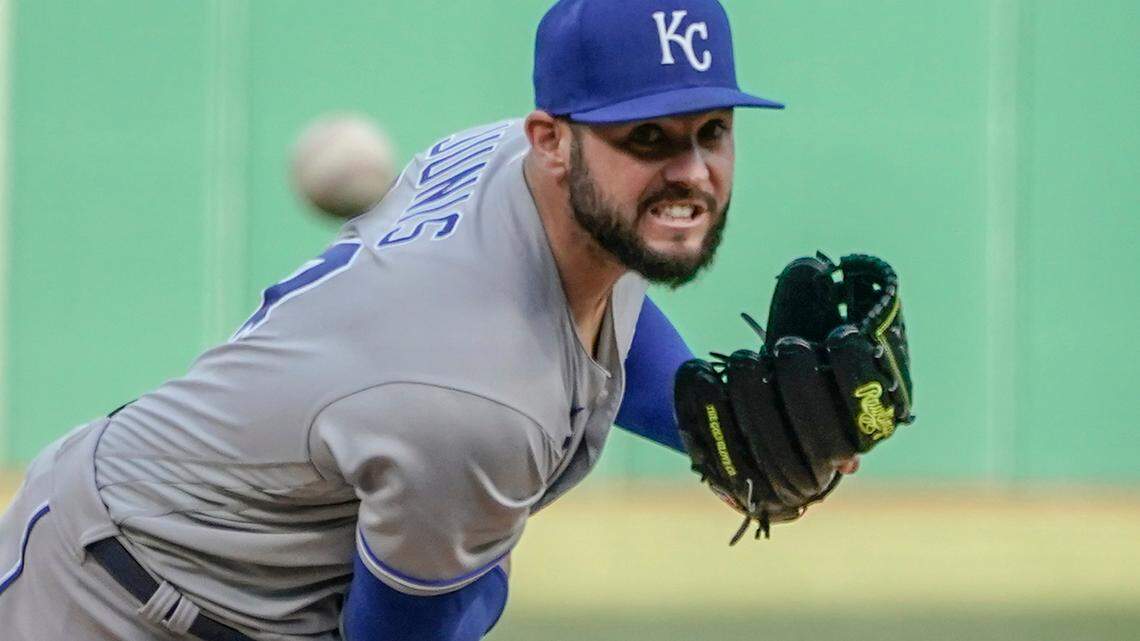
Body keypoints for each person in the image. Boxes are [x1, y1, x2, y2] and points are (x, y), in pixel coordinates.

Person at [0, 1, 856, 639]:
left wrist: (714, 427)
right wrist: (482, 555)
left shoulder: (516, 164)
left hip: (175, 538)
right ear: (553, 141)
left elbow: (612, 311)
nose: (691, 171)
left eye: (713, 130)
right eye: (647, 139)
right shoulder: (475, 396)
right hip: (109, 600)